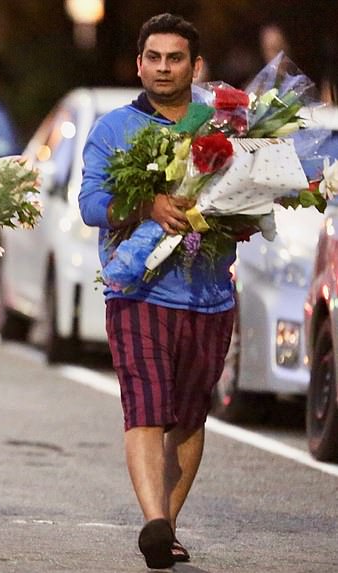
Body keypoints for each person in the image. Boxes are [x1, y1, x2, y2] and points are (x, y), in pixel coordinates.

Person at [78, 13, 236, 570]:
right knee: (145, 408)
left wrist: (235, 218)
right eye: (154, 58)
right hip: (137, 289)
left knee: (189, 417)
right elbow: (91, 205)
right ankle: (154, 522)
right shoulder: (113, 128)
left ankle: (166, 522)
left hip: (211, 293)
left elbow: (252, 198)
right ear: (139, 64)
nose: (163, 68)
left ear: (195, 66)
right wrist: (148, 205)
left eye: (175, 59)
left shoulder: (227, 128)